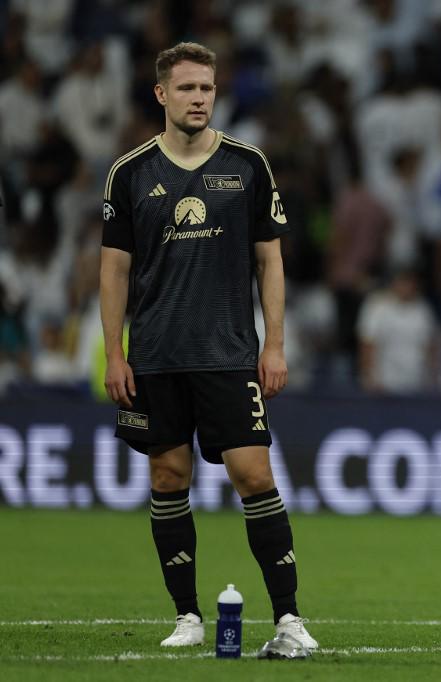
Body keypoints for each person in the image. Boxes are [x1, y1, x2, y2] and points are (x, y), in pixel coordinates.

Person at [99, 42, 317, 650]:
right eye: (188, 88)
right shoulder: (131, 172)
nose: (200, 98)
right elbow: (114, 271)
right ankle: (188, 619)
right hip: (156, 356)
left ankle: (289, 618)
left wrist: (274, 345)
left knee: (253, 474)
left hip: (227, 352)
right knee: (168, 478)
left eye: (208, 88)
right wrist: (115, 354)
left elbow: (270, 261)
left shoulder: (248, 165)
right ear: (161, 94)